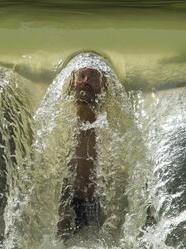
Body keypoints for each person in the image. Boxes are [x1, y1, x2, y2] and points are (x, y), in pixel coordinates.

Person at [57, 67, 107, 239]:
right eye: (82, 76)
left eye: (93, 77)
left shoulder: (107, 117)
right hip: (69, 198)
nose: (86, 80)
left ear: (103, 85)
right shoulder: (63, 113)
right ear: (73, 84)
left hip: (98, 201)